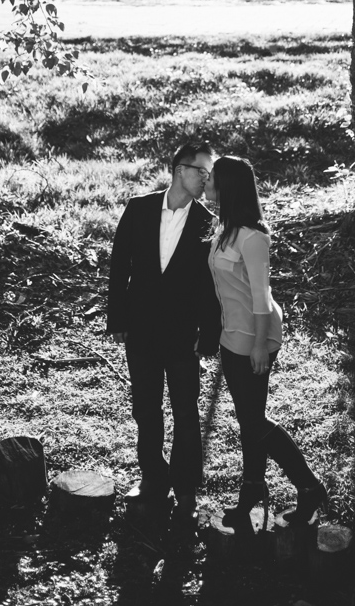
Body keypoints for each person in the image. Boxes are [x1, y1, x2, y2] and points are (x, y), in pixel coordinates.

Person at [207, 155, 326, 528]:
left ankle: (308, 486)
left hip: (255, 335)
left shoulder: (253, 238)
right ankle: (252, 495)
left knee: (253, 422)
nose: (207, 184)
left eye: (212, 179)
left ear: (228, 187)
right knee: (249, 420)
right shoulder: (223, 230)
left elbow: (261, 296)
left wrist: (260, 345)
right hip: (231, 333)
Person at [106, 141, 221, 522]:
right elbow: (119, 264)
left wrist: (208, 334)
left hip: (183, 335)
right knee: (146, 410)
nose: (206, 178)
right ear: (179, 169)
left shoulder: (208, 221)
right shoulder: (139, 208)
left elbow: (209, 285)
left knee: (186, 413)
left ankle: (185, 489)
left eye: (209, 172)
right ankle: (153, 478)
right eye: (201, 170)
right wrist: (117, 319)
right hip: (140, 330)